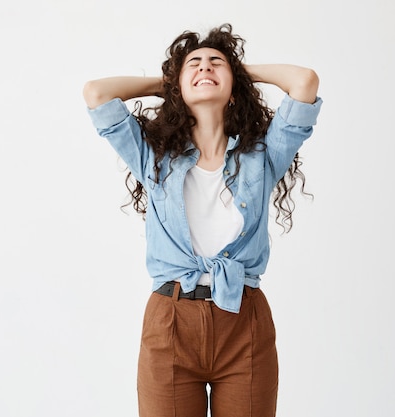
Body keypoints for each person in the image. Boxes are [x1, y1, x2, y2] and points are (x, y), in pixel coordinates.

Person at [83, 23, 322, 417]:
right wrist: (170, 82)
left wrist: (241, 74)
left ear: (235, 84)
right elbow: (96, 93)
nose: (205, 67)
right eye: (193, 64)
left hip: (244, 322)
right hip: (170, 323)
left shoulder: (263, 156)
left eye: (217, 63)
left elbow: (304, 82)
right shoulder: (153, 158)